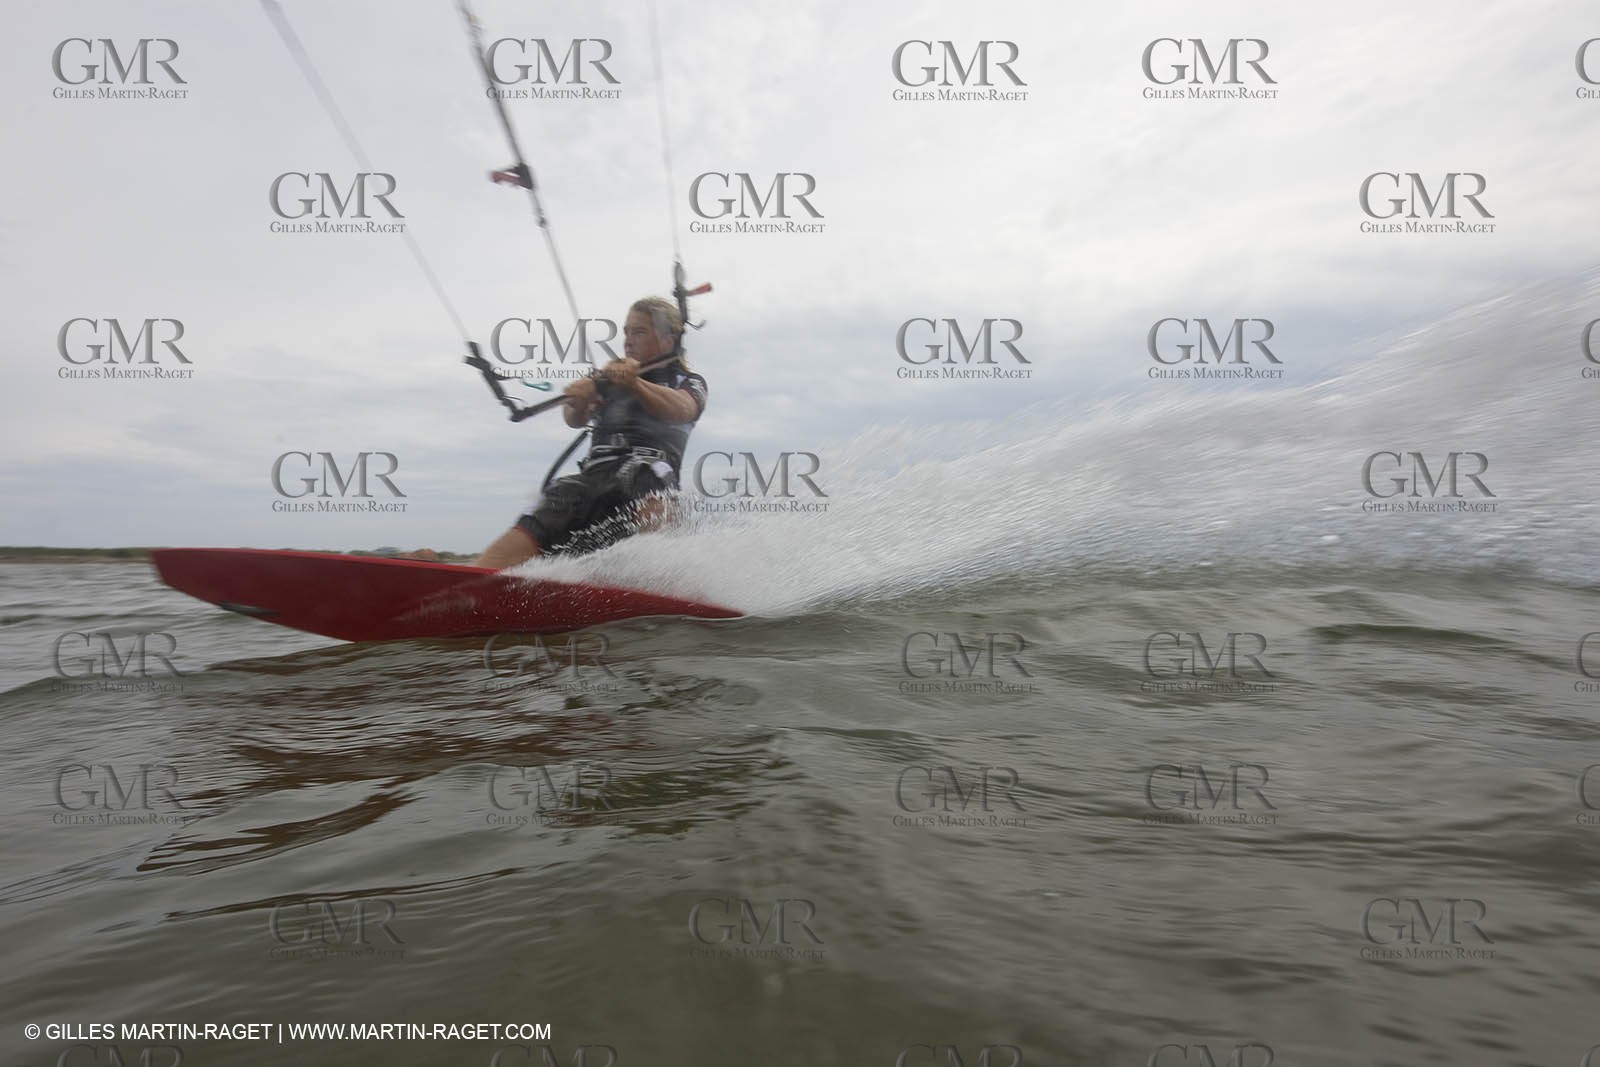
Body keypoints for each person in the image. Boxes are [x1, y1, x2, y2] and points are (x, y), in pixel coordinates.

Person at [473, 296, 708, 569]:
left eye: (639, 332)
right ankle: (479, 578)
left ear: (669, 339)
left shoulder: (688, 382)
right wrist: (580, 400)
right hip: (592, 481)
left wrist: (634, 384)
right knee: (549, 507)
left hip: (647, 479)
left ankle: (662, 576)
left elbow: (682, 409)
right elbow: (573, 418)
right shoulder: (609, 381)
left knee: (650, 480)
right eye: (626, 332)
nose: (628, 341)